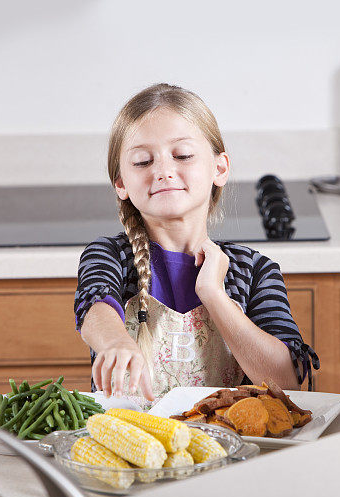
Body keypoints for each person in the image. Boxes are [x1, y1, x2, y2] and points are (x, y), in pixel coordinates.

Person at [74, 83, 319, 401]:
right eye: (143, 161)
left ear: (220, 168)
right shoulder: (110, 256)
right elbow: (94, 307)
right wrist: (114, 342)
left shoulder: (255, 270)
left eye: (183, 155)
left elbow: (287, 382)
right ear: (121, 182)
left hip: (236, 446)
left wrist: (214, 295)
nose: (163, 171)